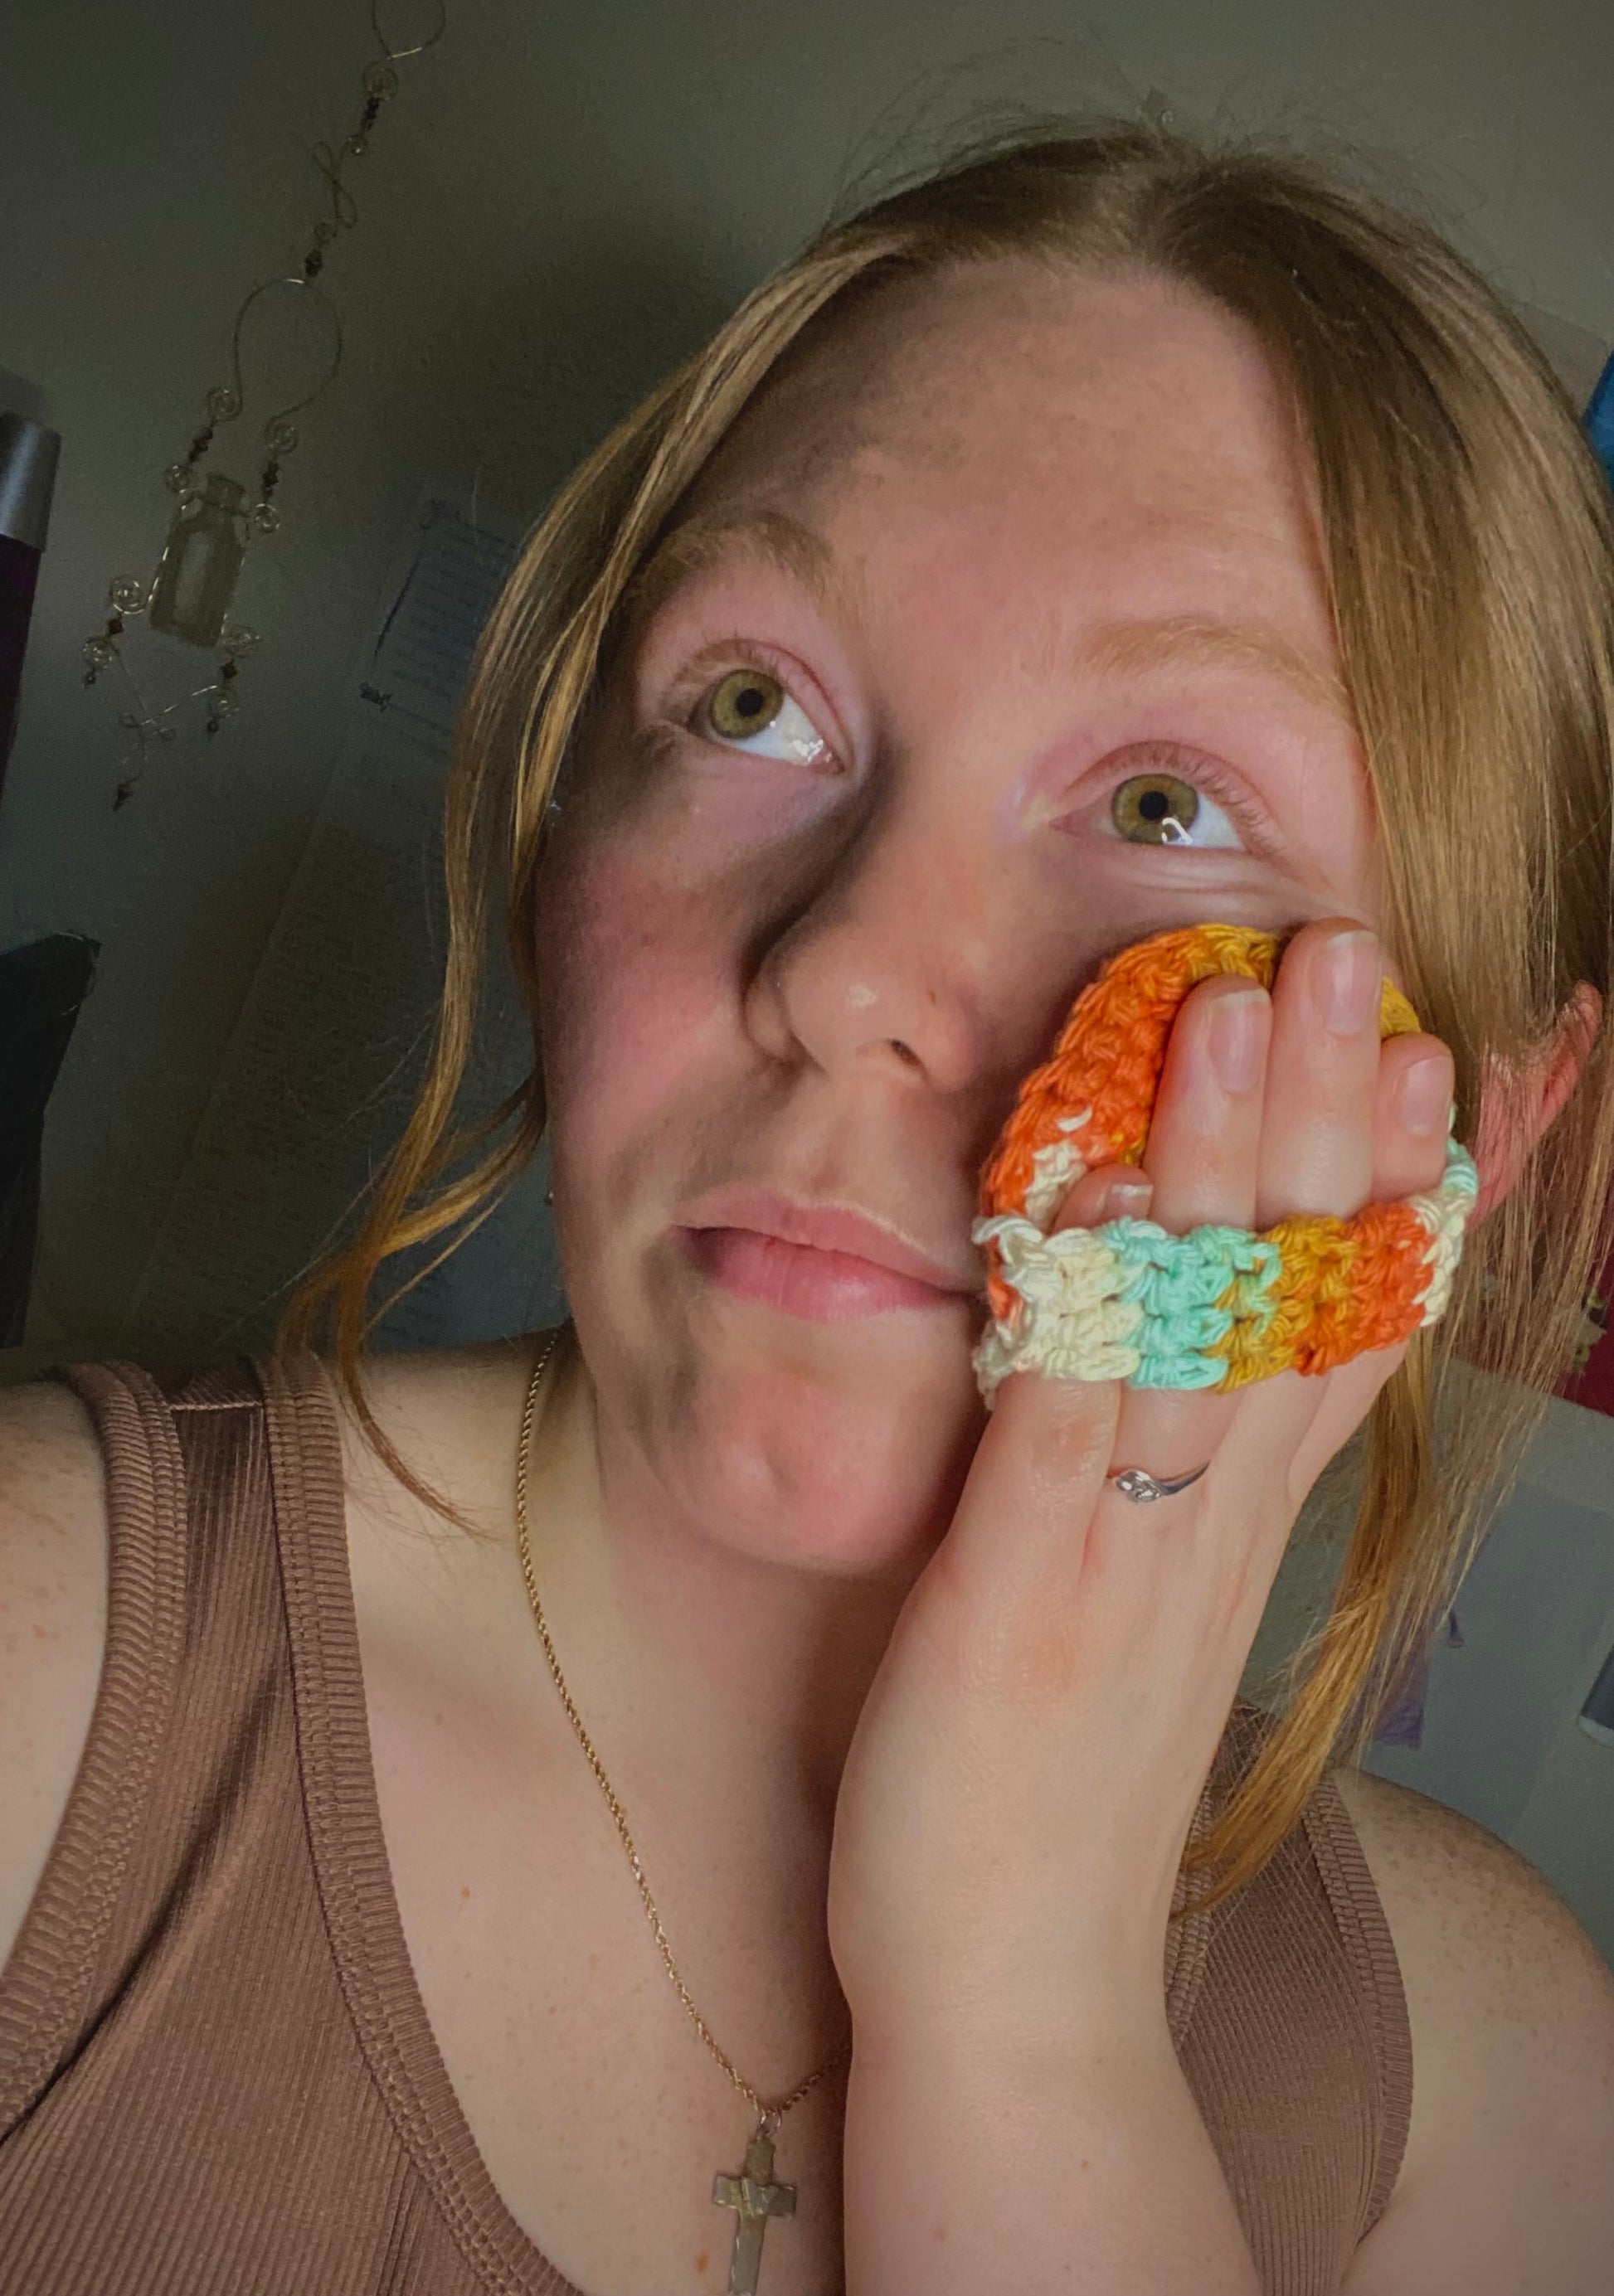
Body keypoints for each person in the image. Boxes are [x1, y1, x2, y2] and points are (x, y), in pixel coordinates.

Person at [2, 116, 1613, 2296]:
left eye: (1165, 803)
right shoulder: (37, 1682)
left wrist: (1025, 2008)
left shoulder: (1497, 2097)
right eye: (753, 705)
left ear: (1489, 1128)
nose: (844, 969)